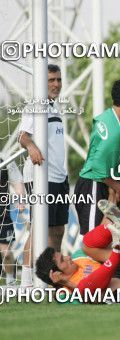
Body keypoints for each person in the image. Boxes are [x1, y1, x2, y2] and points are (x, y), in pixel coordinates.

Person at [35, 200, 120, 303]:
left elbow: (96, 243)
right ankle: (119, 246)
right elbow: (88, 300)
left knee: (86, 245)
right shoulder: (63, 294)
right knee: (91, 291)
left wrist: (108, 226)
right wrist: (67, 283)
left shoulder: (78, 258)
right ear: (56, 274)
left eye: (64, 255)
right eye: (62, 260)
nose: (68, 257)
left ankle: (117, 229)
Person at [18, 64, 69, 288]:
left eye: (58, 79)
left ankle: (55, 277)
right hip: (40, 177)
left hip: (59, 176)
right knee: (38, 228)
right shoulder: (35, 106)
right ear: (41, 83)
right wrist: (30, 147)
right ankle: (26, 281)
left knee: (58, 230)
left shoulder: (54, 107)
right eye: (51, 80)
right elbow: (23, 136)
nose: (56, 84)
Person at [75, 78, 120, 235]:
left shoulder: (111, 119)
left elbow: (107, 154)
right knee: (91, 242)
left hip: (99, 186)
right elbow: (98, 167)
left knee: (108, 237)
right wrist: (118, 187)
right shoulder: (114, 132)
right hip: (93, 186)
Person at [0, 155, 25, 286]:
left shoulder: (6, 159)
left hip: (2, 214)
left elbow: (17, 182)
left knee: (6, 252)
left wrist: (21, 200)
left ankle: (10, 280)